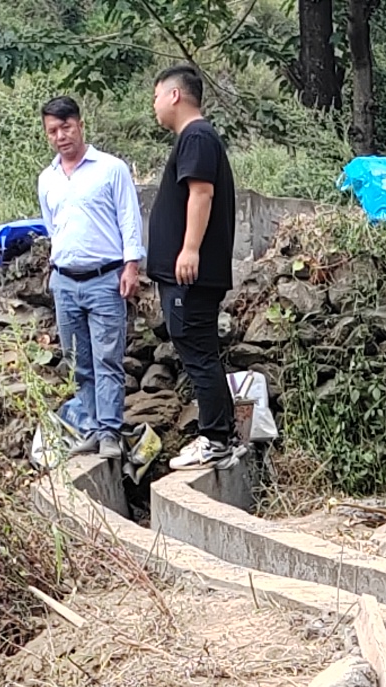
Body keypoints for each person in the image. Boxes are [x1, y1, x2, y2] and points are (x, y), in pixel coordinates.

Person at [34, 97, 141, 458]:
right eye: (53, 130)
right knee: (77, 359)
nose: (61, 136)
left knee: (107, 357)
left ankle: (110, 431)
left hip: (105, 278)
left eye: (66, 127)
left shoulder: (111, 169)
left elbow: (129, 219)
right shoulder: (47, 178)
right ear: (47, 134)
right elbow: (53, 228)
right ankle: (92, 426)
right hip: (65, 280)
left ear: (80, 125)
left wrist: (131, 265)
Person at [145, 66, 241, 469]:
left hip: (190, 275)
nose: (153, 106)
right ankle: (220, 435)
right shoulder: (196, 138)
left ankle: (215, 438)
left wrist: (189, 249)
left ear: (173, 96)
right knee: (199, 352)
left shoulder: (197, 136)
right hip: (185, 274)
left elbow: (201, 193)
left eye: (154, 97)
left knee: (199, 352)